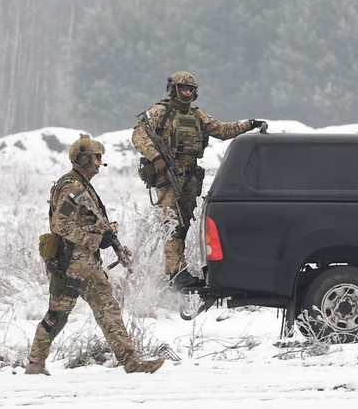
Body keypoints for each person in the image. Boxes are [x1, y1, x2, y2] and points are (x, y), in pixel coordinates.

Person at [26, 135, 165, 375]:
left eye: (100, 157)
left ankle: (131, 361)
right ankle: (35, 365)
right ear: (82, 158)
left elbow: (85, 221)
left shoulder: (83, 184)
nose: (100, 162)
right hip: (69, 264)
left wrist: (105, 235)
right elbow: (61, 225)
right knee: (57, 315)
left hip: (88, 264)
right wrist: (95, 239)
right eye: (96, 157)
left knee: (108, 309)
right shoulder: (71, 186)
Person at [132, 71, 264, 290]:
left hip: (190, 178)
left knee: (183, 224)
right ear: (173, 89)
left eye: (191, 89)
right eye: (184, 88)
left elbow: (222, 130)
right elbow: (139, 135)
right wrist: (155, 157)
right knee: (172, 225)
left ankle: (178, 271)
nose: (188, 93)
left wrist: (249, 124)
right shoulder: (159, 112)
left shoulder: (197, 115)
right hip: (168, 176)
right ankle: (176, 274)